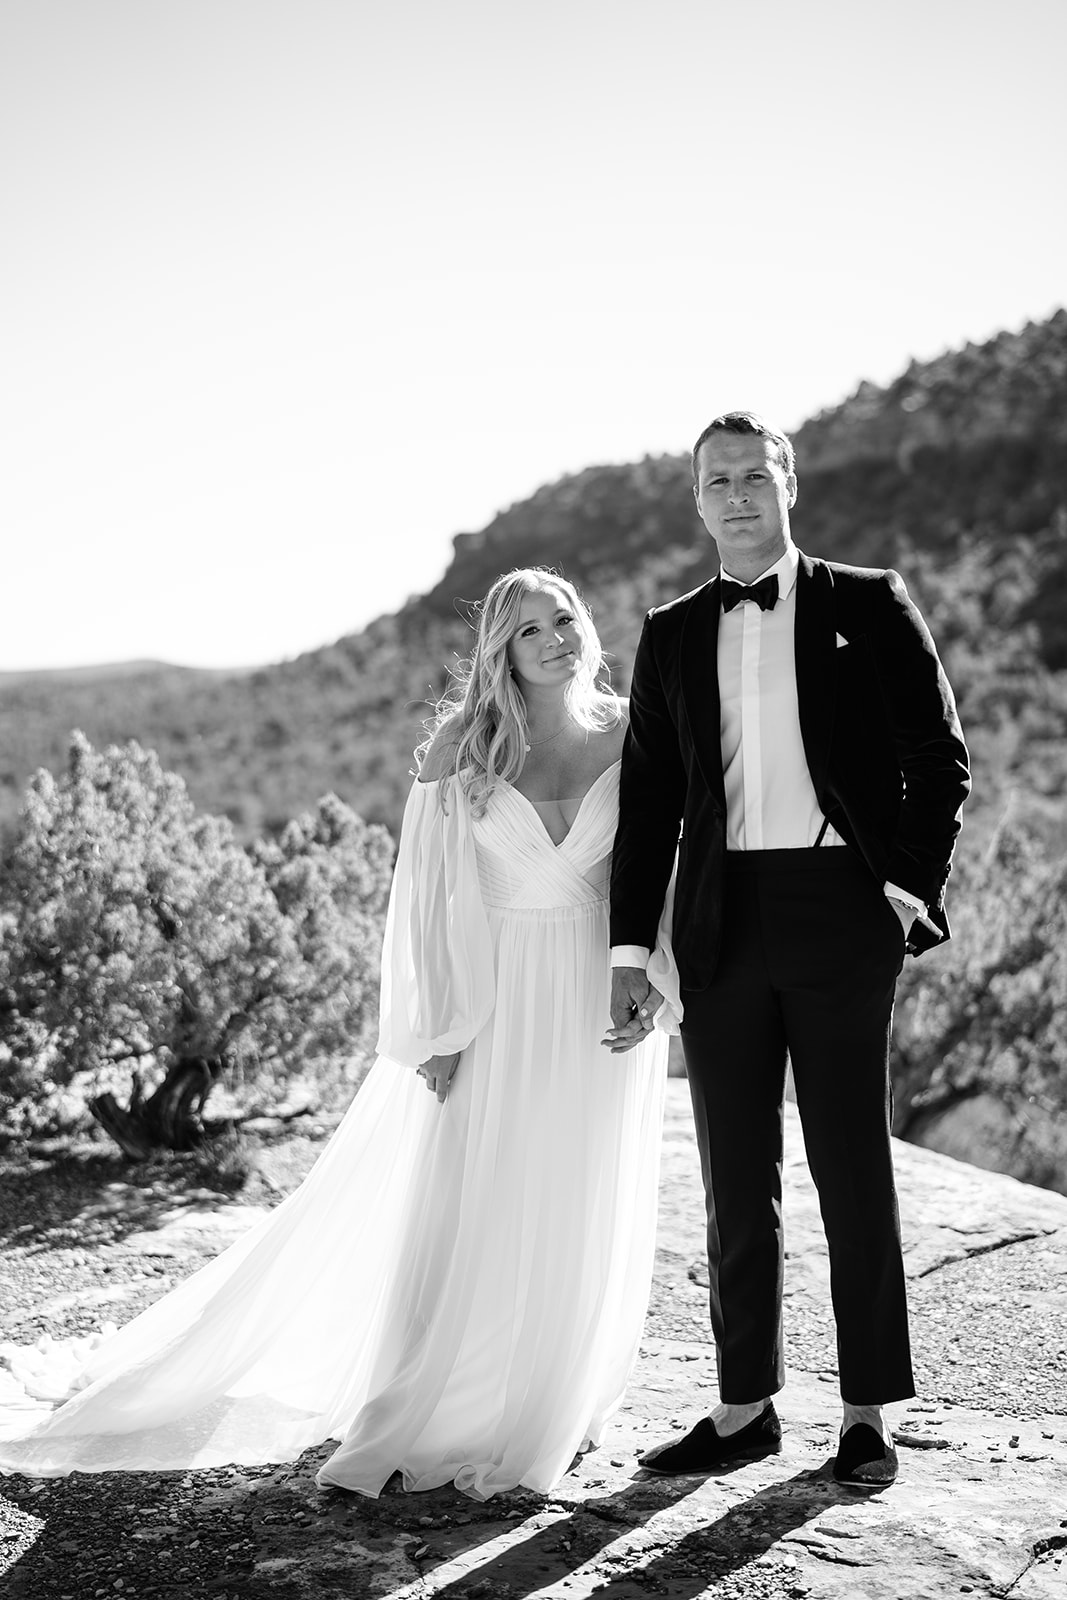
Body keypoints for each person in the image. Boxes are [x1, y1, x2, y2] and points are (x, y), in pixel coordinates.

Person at [0, 567, 670, 1498]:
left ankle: (554, 1392)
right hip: (497, 996)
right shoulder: (462, 747)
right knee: (481, 1190)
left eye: (565, 618)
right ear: (502, 655)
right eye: (528, 630)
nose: (555, 637)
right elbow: (427, 900)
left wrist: (654, 981)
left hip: (598, 990)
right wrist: (439, 1025)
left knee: (579, 1186)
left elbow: (663, 864)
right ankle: (454, 1396)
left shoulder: (638, 729)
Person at [604, 411, 970, 1486]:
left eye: (751, 476)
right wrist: (630, 949)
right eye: (713, 480)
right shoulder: (670, 630)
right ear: (696, 499)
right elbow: (649, 798)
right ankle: (742, 1405)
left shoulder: (867, 600)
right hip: (720, 917)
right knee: (732, 1170)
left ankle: (865, 1414)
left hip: (839, 906)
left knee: (849, 1162)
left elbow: (935, 754)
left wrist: (900, 888)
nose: (733, 495)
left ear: (786, 484)